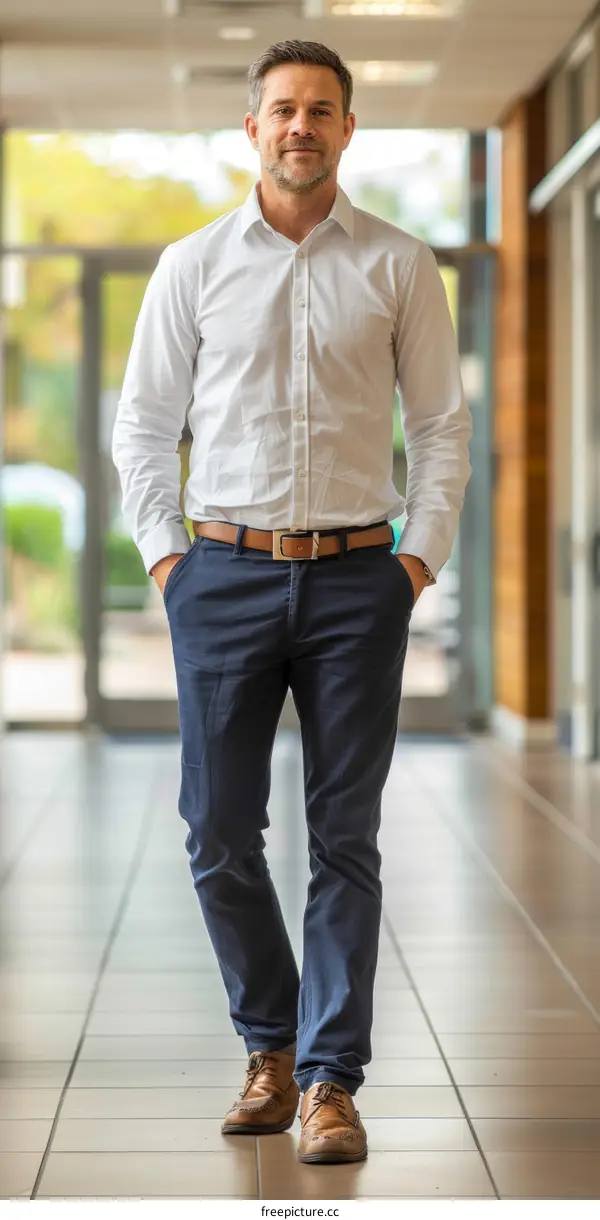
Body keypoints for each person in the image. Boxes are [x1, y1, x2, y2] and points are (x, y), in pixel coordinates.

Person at [112, 39, 471, 1166]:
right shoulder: (194, 264)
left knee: (345, 836)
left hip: (361, 576)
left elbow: (444, 430)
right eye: (282, 110)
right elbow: (141, 426)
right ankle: (268, 1043)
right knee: (219, 831)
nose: (300, 126)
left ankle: (326, 1078)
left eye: (321, 109)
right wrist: (172, 564)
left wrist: (417, 561)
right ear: (253, 129)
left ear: (349, 129)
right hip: (222, 572)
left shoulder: (402, 265)